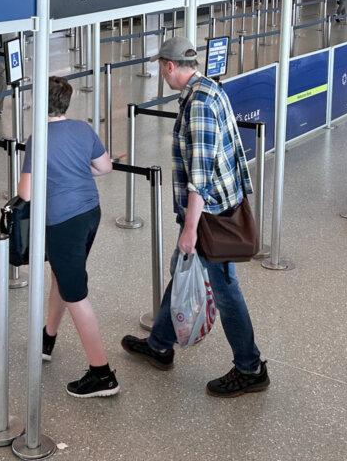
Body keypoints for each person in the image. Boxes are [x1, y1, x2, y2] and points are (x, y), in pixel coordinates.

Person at [121, 37, 268, 397]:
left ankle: (250, 367)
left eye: (160, 67)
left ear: (170, 67)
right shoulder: (209, 89)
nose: (160, 73)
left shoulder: (199, 104)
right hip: (220, 204)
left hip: (210, 214)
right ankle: (159, 343)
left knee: (224, 286)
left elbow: (199, 175)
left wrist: (189, 228)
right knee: (182, 269)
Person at [19, 76, 117, 398]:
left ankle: (101, 373)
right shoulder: (83, 129)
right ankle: (48, 337)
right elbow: (105, 168)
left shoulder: (38, 138)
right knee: (61, 277)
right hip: (91, 213)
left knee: (75, 293)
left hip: (62, 222)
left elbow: (26, 193)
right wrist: (76, 170)